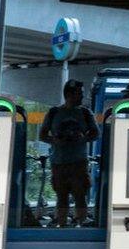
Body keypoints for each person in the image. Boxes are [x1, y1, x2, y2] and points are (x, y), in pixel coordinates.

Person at [39, 79, 99, 226]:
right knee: (61, 196)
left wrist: (83, 138)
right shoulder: (54, 112)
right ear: (69, 94)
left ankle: (82, 223)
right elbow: (42, 135)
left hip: (79, 162)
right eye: (80, 94)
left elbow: (96, 133)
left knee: (80, 195)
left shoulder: (85, 113)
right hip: (59, 162)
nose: (82, 97)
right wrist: (55, 141)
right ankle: (61, 224)